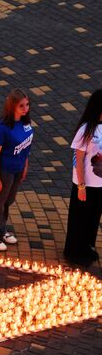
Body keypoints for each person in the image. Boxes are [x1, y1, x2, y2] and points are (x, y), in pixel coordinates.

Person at [0, 89, 33, 251]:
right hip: (4, 171)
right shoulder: (2, 128)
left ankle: (0, 230)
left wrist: (25, 165)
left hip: (17, 169)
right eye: (21, 106)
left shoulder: (25, 123)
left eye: (27, 105)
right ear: (12, 107)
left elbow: (26, 147)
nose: (25, 108)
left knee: (8, 201)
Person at [64, 89, 102, 269]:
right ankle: (73, 251)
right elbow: (78, 159)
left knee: (94, 217)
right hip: (84, 183)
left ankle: (87, 246)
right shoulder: (86, 129)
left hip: (100, 184)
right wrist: (81, 185)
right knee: (80, 217)